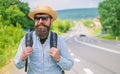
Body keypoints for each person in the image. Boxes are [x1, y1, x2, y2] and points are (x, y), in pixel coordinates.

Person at [14, 5, 74, 74]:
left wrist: (59, 58)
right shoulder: (27, 39)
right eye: (37, 18)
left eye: (44, 18)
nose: (40, 21)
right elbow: (18, 65)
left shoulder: (58, 40)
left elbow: (69, 65)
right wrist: (22, 57)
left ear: (51, 21)